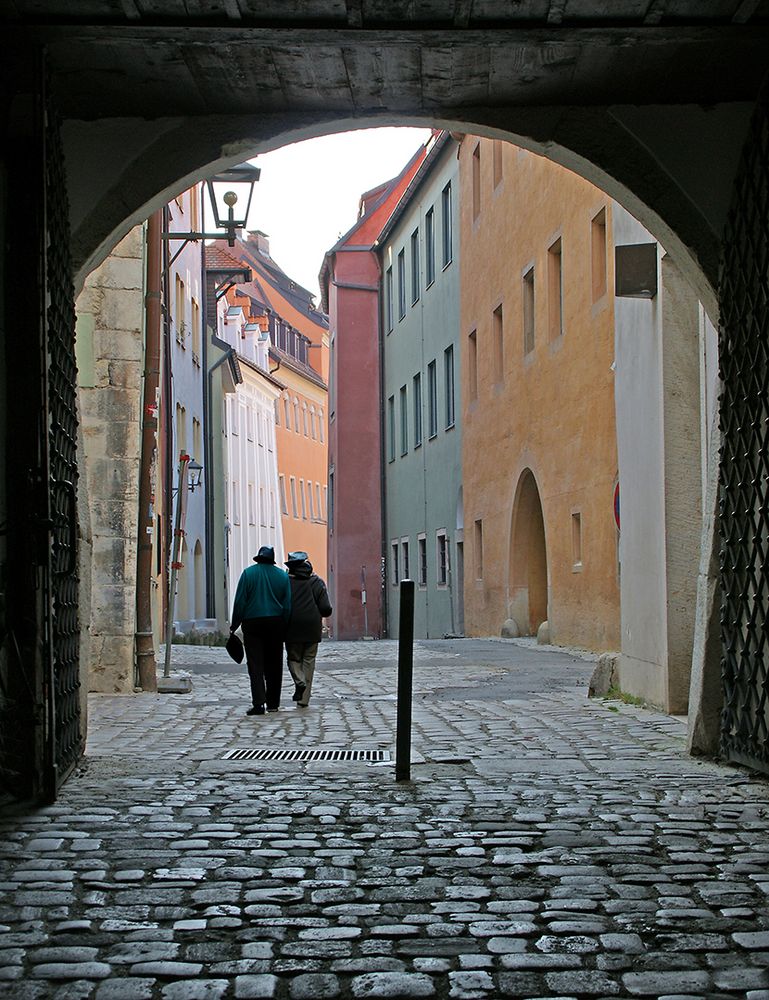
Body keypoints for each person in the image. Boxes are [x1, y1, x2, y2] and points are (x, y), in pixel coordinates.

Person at [230, 545, 291, 716]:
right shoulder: (282, 576)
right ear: (272, 559)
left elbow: (240, 602)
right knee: (274, 663)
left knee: (255, 664)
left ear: (258, 558)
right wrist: (284, 625)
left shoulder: (248, 574)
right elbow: (287, 606)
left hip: (252, 623)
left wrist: (235, 624)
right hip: (275, 622)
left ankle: (258, 703)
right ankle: (273, 703)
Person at [284, 551, 332, 708]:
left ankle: (300, 680)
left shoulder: (285, 582)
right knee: (309, 661)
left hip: (292, 626)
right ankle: (304, 699)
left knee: (293, 659)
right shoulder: (317, 582)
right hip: (312, 627)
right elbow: (326, 609)